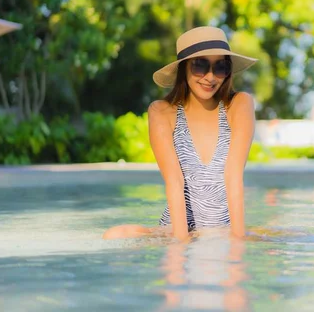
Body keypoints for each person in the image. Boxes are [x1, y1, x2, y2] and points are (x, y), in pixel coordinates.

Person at [103, 26, 258, 241]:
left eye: (220, 67)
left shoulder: (239, 104)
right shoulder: (161, 112)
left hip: (223, 229)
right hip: (179, 228)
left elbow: (233, 177)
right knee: (113, 235)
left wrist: (238, 241)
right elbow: (174, 181)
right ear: (183, 68)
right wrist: (181, 243)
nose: (210, 77)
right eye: (200, 65)